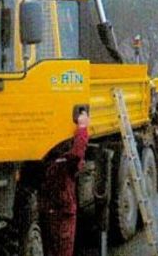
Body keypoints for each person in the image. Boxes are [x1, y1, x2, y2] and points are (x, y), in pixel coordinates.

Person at [40, 110, 90, 256]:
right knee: (64, 249)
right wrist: (82, 128)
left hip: (48, 211)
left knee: (51, 249)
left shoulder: (47, 163)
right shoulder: (64, 163)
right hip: (63, 212)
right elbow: (77, 154)